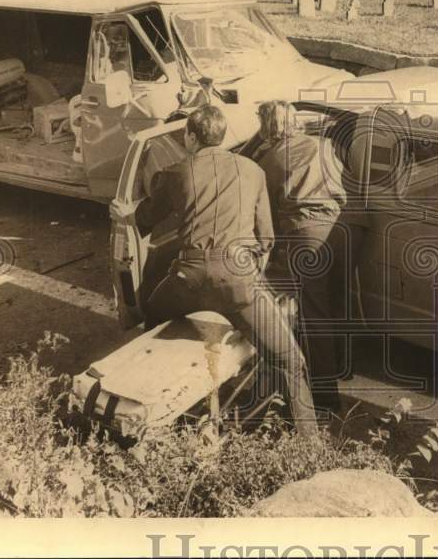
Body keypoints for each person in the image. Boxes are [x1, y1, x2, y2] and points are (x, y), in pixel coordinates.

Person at [114, 104, 320, 438]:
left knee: (151, 318)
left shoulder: (176, 172)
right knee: (289, 361)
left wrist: (125, 213)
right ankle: (309, 448)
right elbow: (266, 238)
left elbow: (146, 218)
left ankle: (147, 412)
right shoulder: (253, 171)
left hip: (187, 280)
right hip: (240, 277)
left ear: (191, 137)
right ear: (222, 136)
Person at [250, 101, 349, 420]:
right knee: (334, 305)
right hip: (339, 229)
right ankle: (340, 370)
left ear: (268, 126)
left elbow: (263, 215)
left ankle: (326, 399)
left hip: (304, 236)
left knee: (313, 315)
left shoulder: (268, 160)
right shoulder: (325, 144)